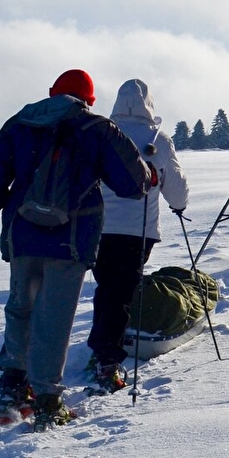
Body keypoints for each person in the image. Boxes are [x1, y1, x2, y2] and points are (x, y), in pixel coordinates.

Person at [0, 69, 155, 430]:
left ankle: (12, 386)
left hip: (22, 233)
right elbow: (133, 184)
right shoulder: (98, 129)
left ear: (52, 92)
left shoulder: (20, 122)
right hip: (70, 238)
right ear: (90, 100)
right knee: (54, 316)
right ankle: (48, 400)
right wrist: (149, 173)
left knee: (20, 306)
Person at [84, 79, 190, 395]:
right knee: (120, 292)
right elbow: (175, 188)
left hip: (97, 226)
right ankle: (107, 360)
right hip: (137, 229)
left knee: (106, 288)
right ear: (149, 105)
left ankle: (102, 348)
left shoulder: (102, 133)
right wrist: (180, 205)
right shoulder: (157, 139)